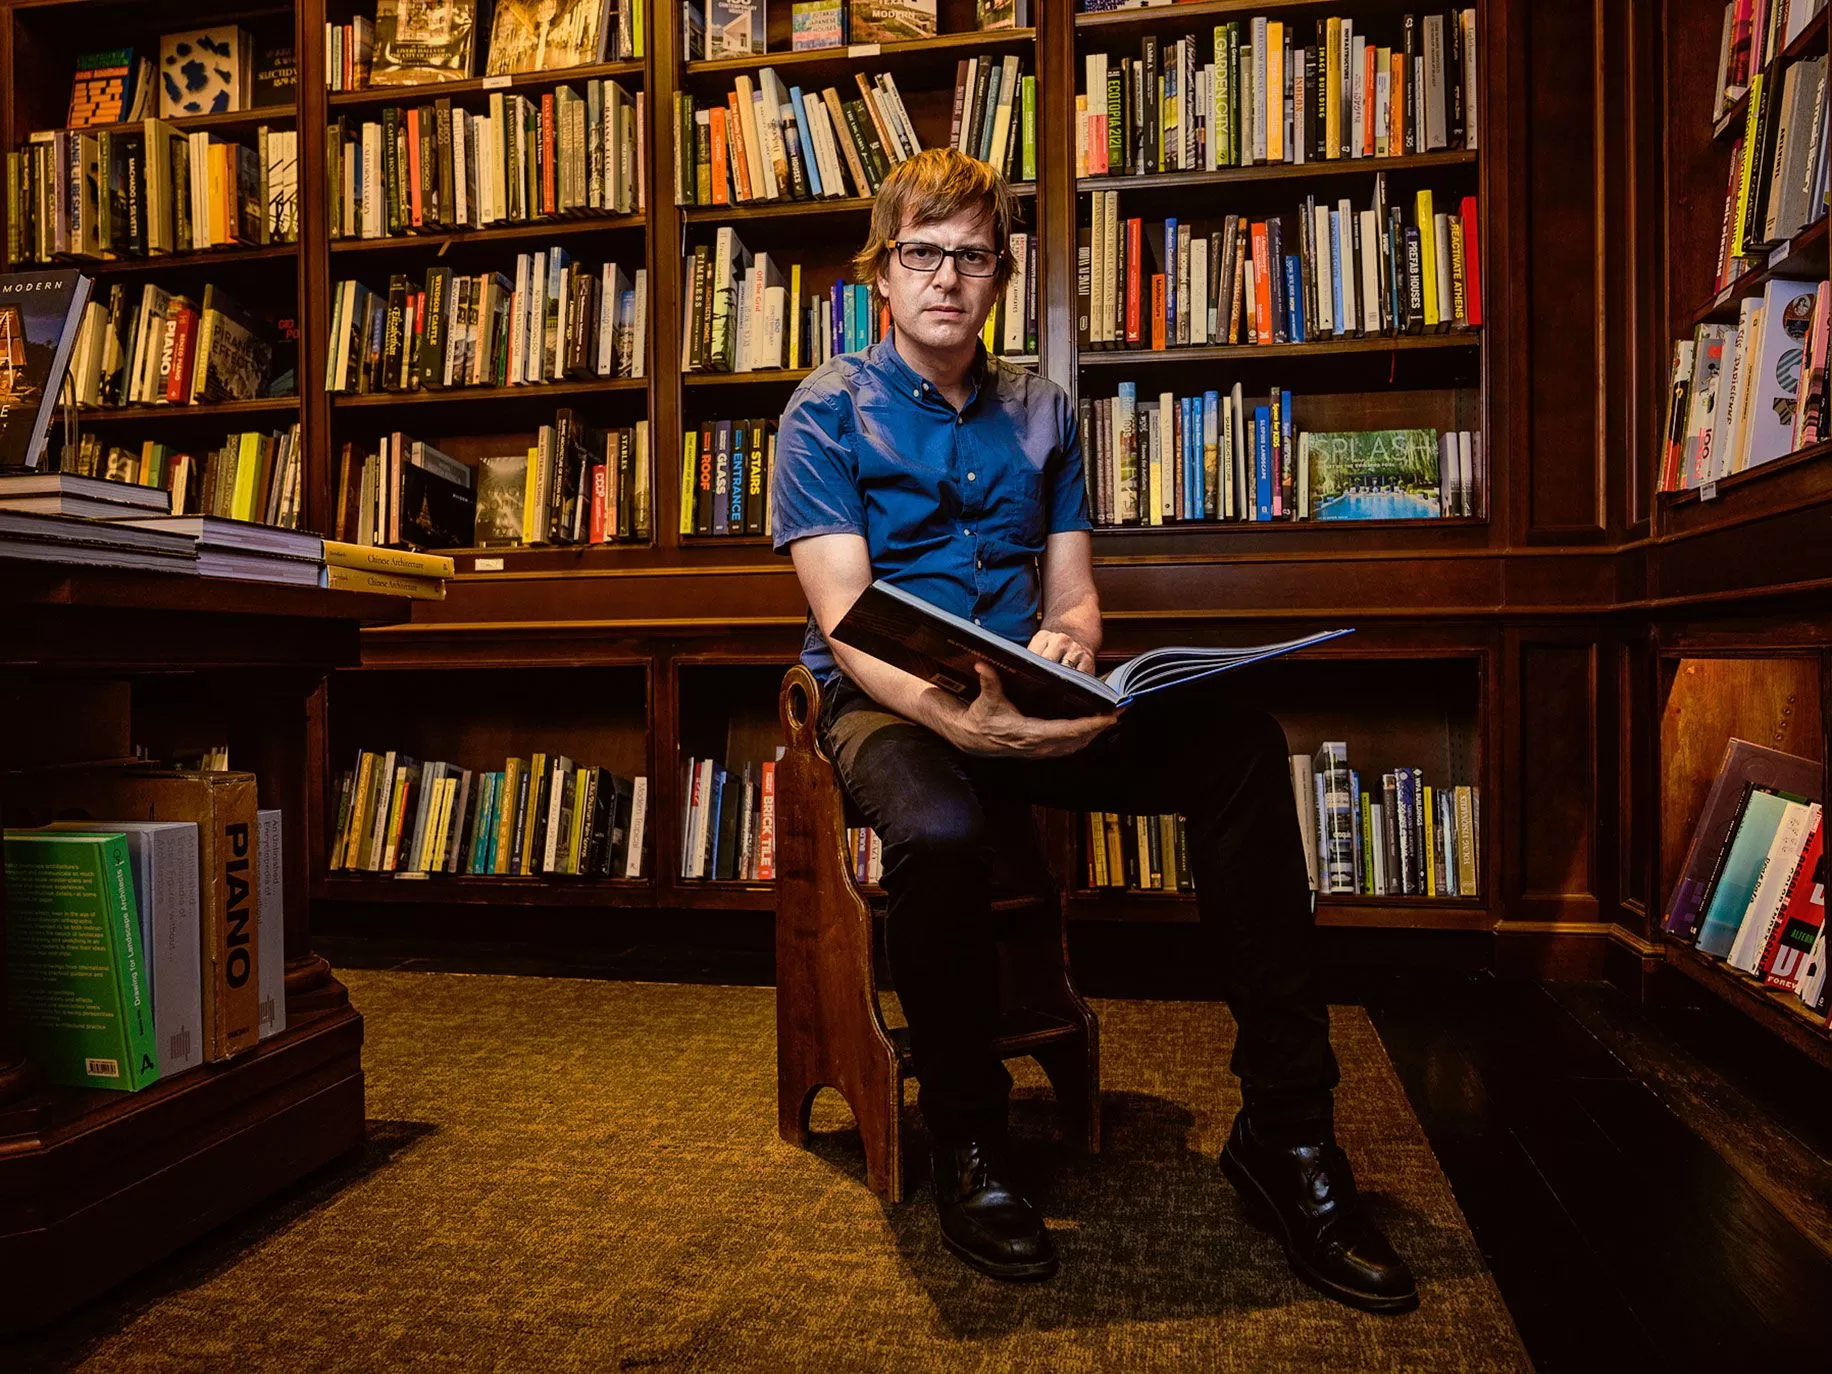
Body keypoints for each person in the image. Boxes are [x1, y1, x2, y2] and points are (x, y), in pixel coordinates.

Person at [768, 147, 1415, 1312]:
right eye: (921, 253)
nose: (946, 280)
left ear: (1001, 274)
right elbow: (846, 622)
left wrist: (1066, 651)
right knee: (942, 831)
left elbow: (1072, 597)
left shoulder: (1039, 408)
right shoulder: (824, 410)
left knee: (1238, 747)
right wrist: (960, 725)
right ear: (882, 270)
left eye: (971, 256)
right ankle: (966, 1137)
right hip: (889, 701)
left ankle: (1288, 1135)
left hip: (1023, 693)